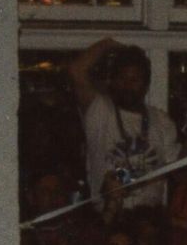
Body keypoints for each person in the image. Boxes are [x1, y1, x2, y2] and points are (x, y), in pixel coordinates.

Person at [73, 39, 179, 213]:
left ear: (146, 84)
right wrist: (109, 43)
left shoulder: (162, 121)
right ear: (113, 81)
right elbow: (77, 71)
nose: (127, 86)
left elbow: (178, 172)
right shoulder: (101, 111)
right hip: (109, 216)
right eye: (122, 78)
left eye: (134, 80)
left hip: (148, 220)